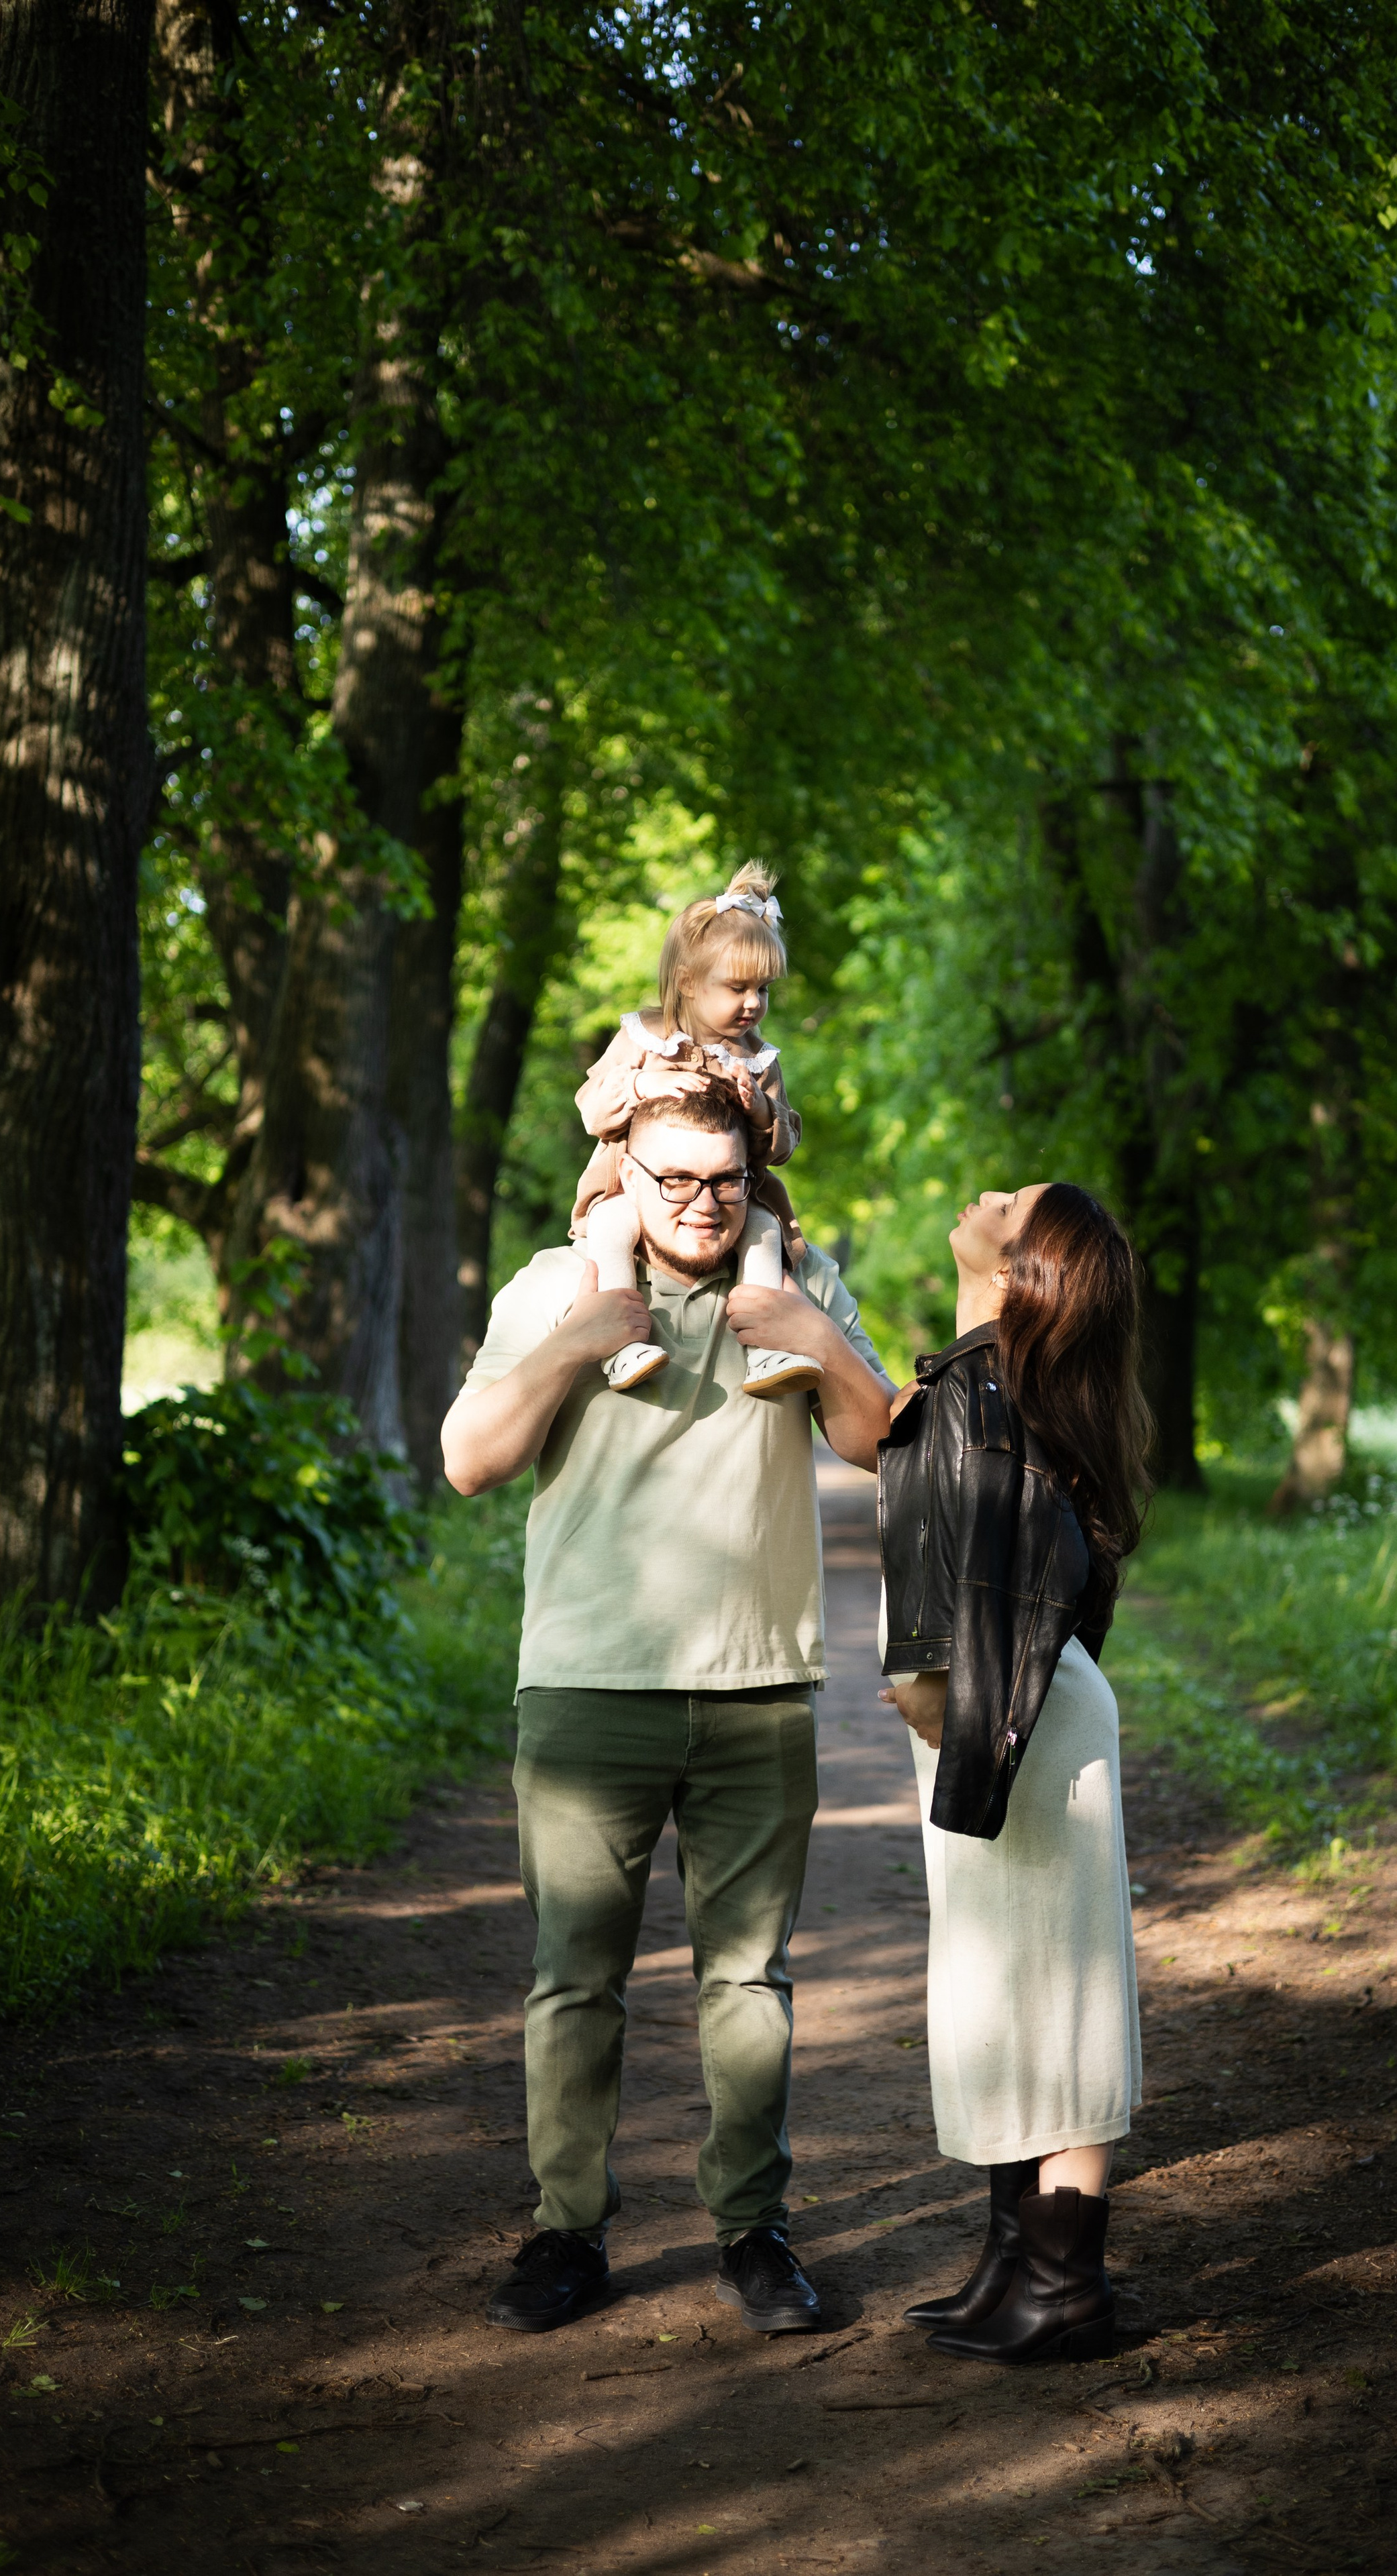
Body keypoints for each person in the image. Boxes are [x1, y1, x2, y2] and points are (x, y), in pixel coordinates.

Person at [442, 1082, 893, 2338]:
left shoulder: (796, 1278)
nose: (700, 1203)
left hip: (759, 1686)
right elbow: (469, 1459)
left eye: (724, 1180)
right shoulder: (554, 1287)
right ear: (621, 1174)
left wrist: (807, 1324)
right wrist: (584, 1337)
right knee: (574, 1980)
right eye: (673, 1180)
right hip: (590, 1687)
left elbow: (877, 1443)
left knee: (749, 1982)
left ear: (757, 1174)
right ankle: (566, 2234)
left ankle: (755, 2234)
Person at [876, 1181, 1151, 2365]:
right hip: (1015, 1712)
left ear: (1024, 1261)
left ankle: (1066, 2287)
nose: (982, 1193)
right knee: (1004, 1992)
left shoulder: (989, 1396)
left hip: (1023, 1719)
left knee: (1063, 2000)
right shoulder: (985, 1379)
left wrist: (942, 1689)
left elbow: (1022, 1573)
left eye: (1008, 1200)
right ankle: (1012, 2266)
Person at [571, 864, 815, 1397]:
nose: (754, 1003)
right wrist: (640, 1085)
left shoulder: (759, 1060)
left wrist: (759, 1112)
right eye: (737, 988)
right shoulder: (645, 1037)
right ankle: (619, 1342)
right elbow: (592, 1111)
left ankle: (765, 1347)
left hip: (727, 1196)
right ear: (687, 982)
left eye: (764, 990)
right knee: (611, 1227)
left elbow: (782, 1149)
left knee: (765, 1232)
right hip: (634, 1188)